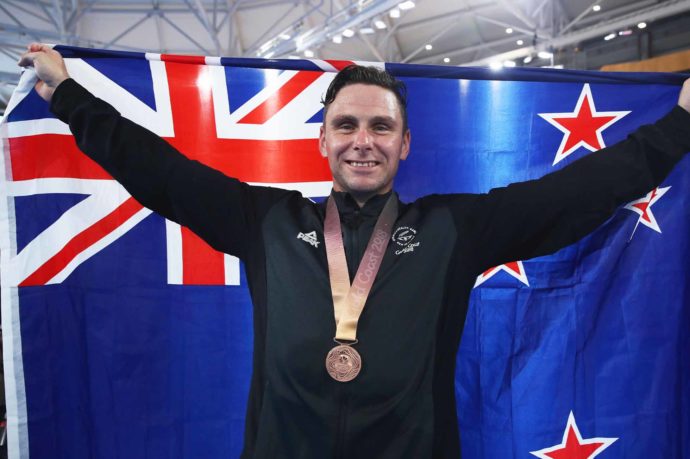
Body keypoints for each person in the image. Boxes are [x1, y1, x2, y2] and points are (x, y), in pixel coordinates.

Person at [18, 43, 690, 458]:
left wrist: (680, 125)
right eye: (346, 124)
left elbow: (573, 194)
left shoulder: (454, 228)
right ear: (323, 141)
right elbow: (159, 171)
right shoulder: (266, 219)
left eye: (380, 126)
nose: (361, 139)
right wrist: (69, 94)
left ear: (404, 144)